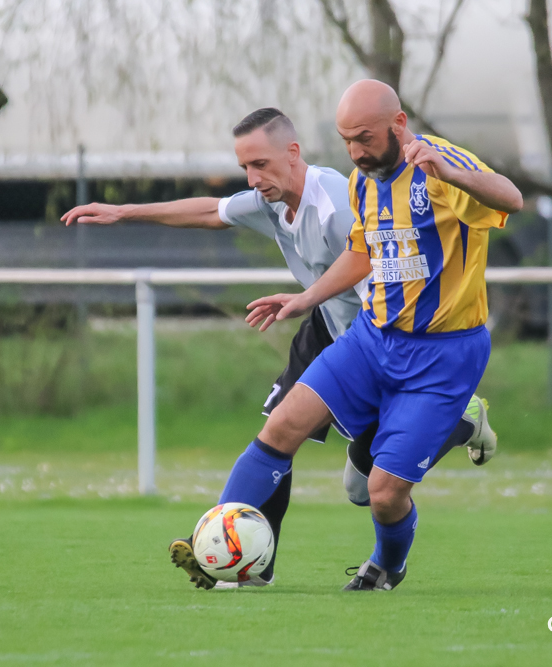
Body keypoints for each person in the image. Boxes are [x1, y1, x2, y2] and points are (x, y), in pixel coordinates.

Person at [62, 107, 498, 588]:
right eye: (245, 167)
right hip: (334, 330)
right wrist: (125, 212)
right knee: (280, 427)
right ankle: (229, 553)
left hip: (391, 342)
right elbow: (212, 210)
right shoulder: (270, 199)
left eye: (260, 165)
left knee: (367, 490)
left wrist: (314, 302)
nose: (253, 178)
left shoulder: (337, 203)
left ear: (293, 153)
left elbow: (386, 264)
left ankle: (461, 419)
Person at [168, 80, 521, 592]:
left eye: (364, 138)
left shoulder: (439, 164)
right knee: (281, 426)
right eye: (346, 140)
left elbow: (512, 198)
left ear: (398, 124)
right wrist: (305, 299)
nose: (355, 151)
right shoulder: (363, 181)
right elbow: (361, 253)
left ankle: (387, 564)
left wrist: (453, 174)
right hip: (372, 339)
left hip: (442, 355)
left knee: (380, 493)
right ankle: (216, 549)